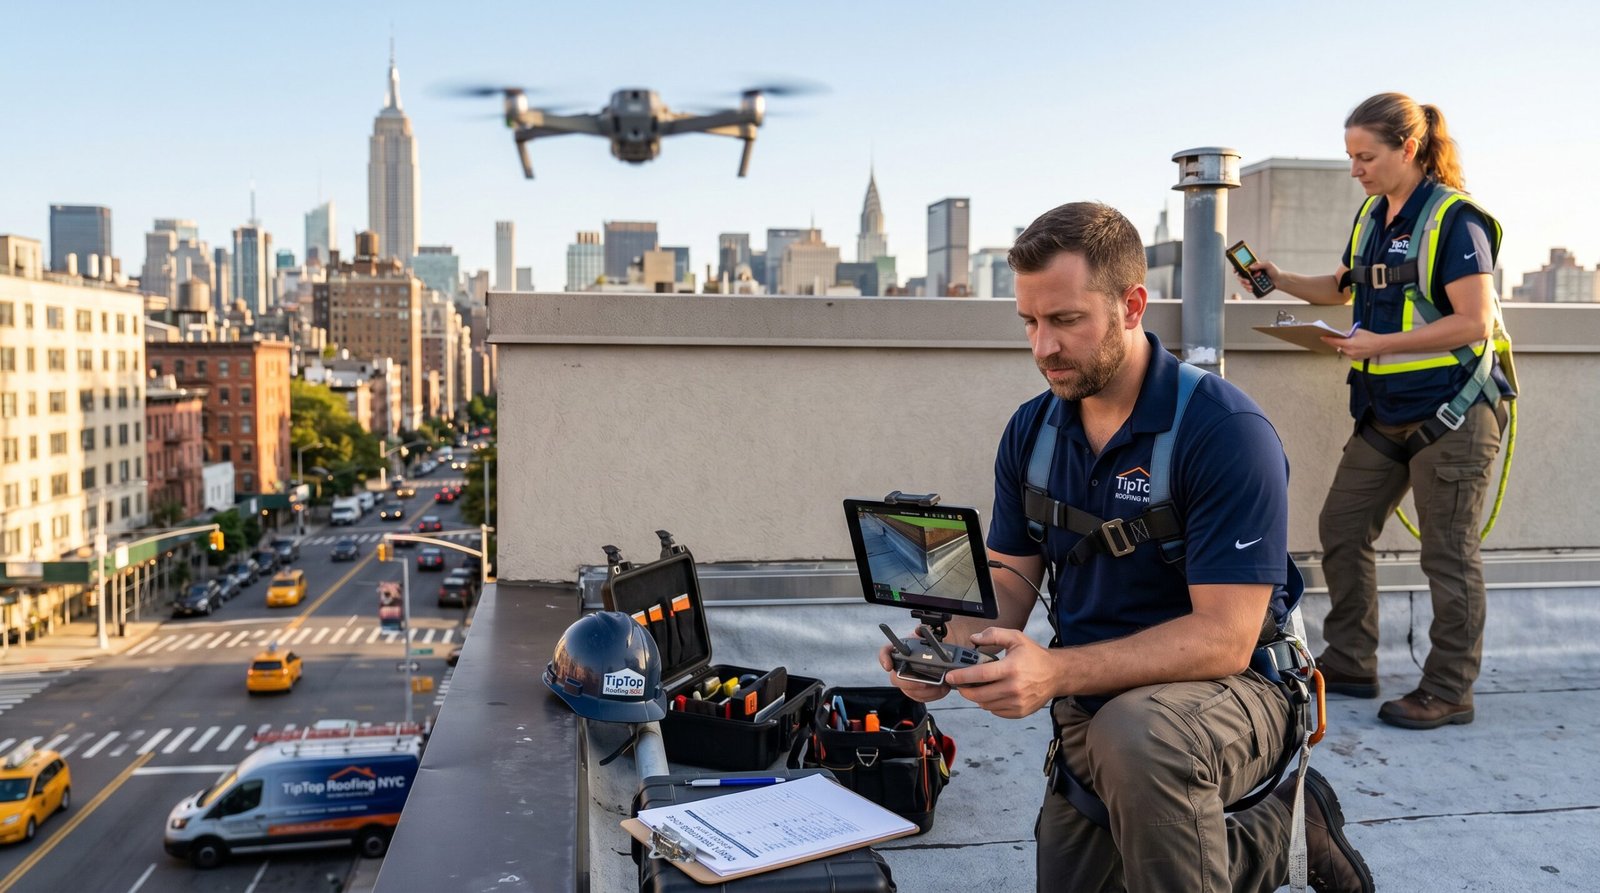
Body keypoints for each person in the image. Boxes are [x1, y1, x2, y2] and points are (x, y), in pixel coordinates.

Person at [882, 201, 1372, 892]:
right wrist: (944, 651)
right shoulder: (1034, 433)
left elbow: (1224, 639)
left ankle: (1274, 815)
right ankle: (1281, 828)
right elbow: (1012, 580)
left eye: (1065, 320)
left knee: (1138, 742)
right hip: (1096, 705)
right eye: (1030, 321)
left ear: (1131, 304)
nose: (1042, 346)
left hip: (1233, 691)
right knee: (1127, 809)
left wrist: (1052, 674)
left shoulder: (1224, 430)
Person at [1241, 93, 1507, 731]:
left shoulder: (1455, 219)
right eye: (1350, 157)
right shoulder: (1371, 217)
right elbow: (1341, 290)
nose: (1355, 168)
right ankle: (1354, 661)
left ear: (1408, 149)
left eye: (1366, 156)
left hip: (1455, 411)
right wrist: (1276, 278)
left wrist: (1378, 344)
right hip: (1387, 410)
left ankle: (1448, 690)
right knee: (1341, 525)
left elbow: (1475, 321)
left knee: (1448, 555)